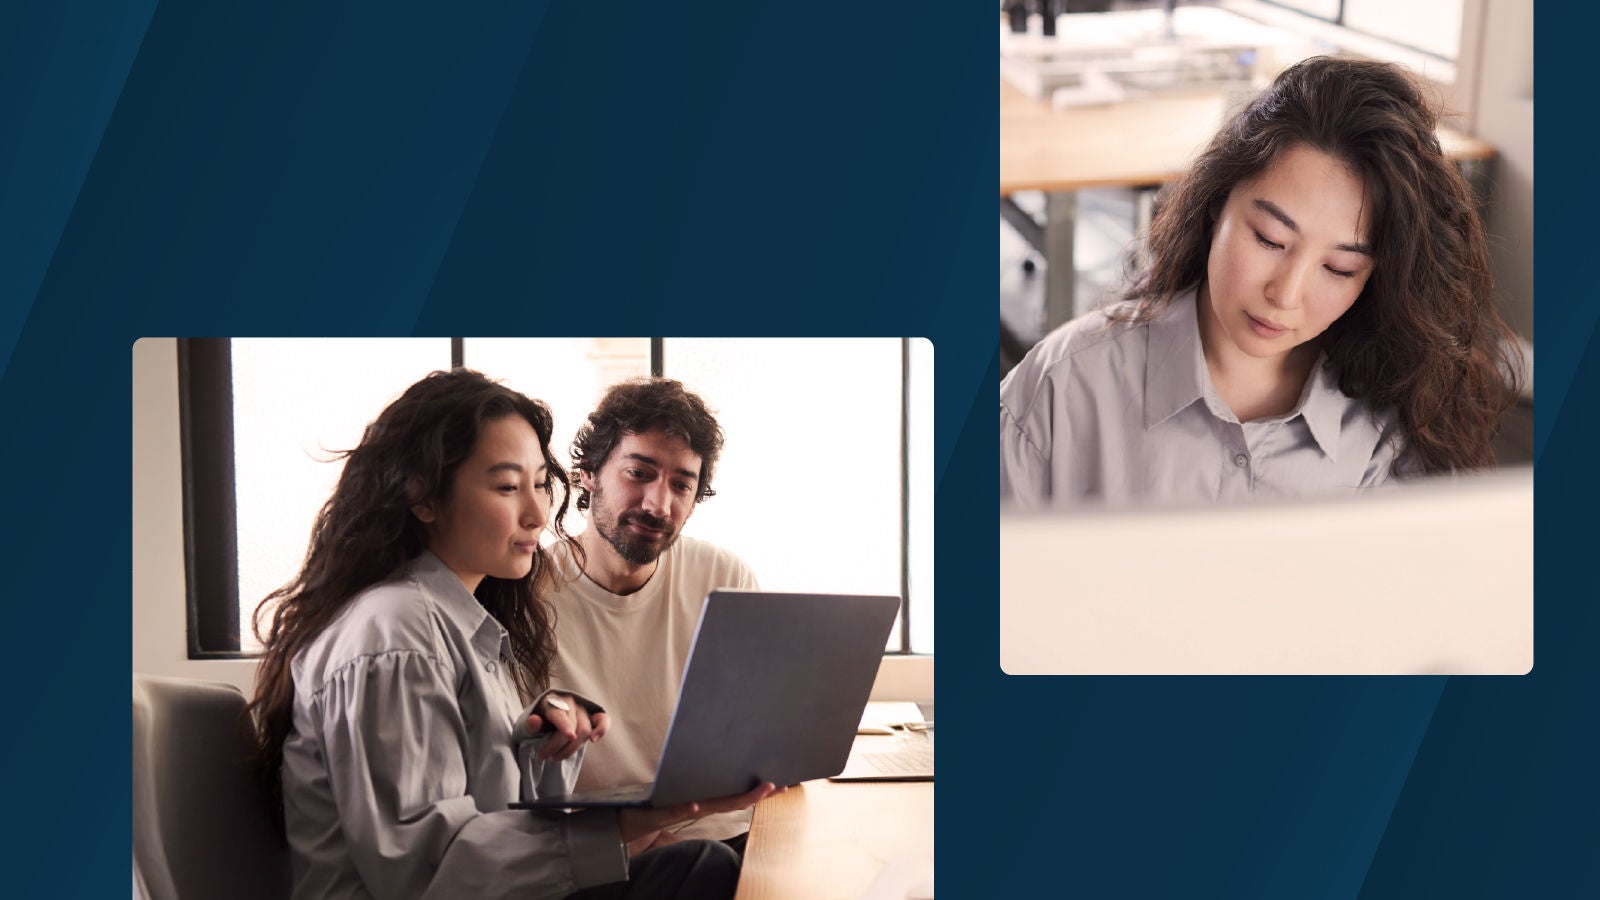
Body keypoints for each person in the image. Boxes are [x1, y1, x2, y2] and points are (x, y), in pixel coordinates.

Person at [245, 368, 775, 900]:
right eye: (507, 487)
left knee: (711, 866)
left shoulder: (461, 621)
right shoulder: (398, 636)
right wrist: (622, 826)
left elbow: (487, 812)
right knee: (703, 871)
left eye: (541, 485)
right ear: (424, 498)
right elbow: (425, 873)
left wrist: (538, 742)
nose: (538, 513)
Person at [1000, 56, 1521, 506]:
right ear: (1214, 205)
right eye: (1270, 239)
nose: (1286, 295)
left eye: (1339, 269)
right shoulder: (1063, 387)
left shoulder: (1387, 425)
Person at [544, 378, 760, 848]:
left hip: (731, 835)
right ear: (588, 473)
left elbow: (754, 738)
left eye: (681, 484)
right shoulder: (524, 592)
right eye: (639, 473)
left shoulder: (724, 577)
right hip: (602, 852)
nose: (659, 504)